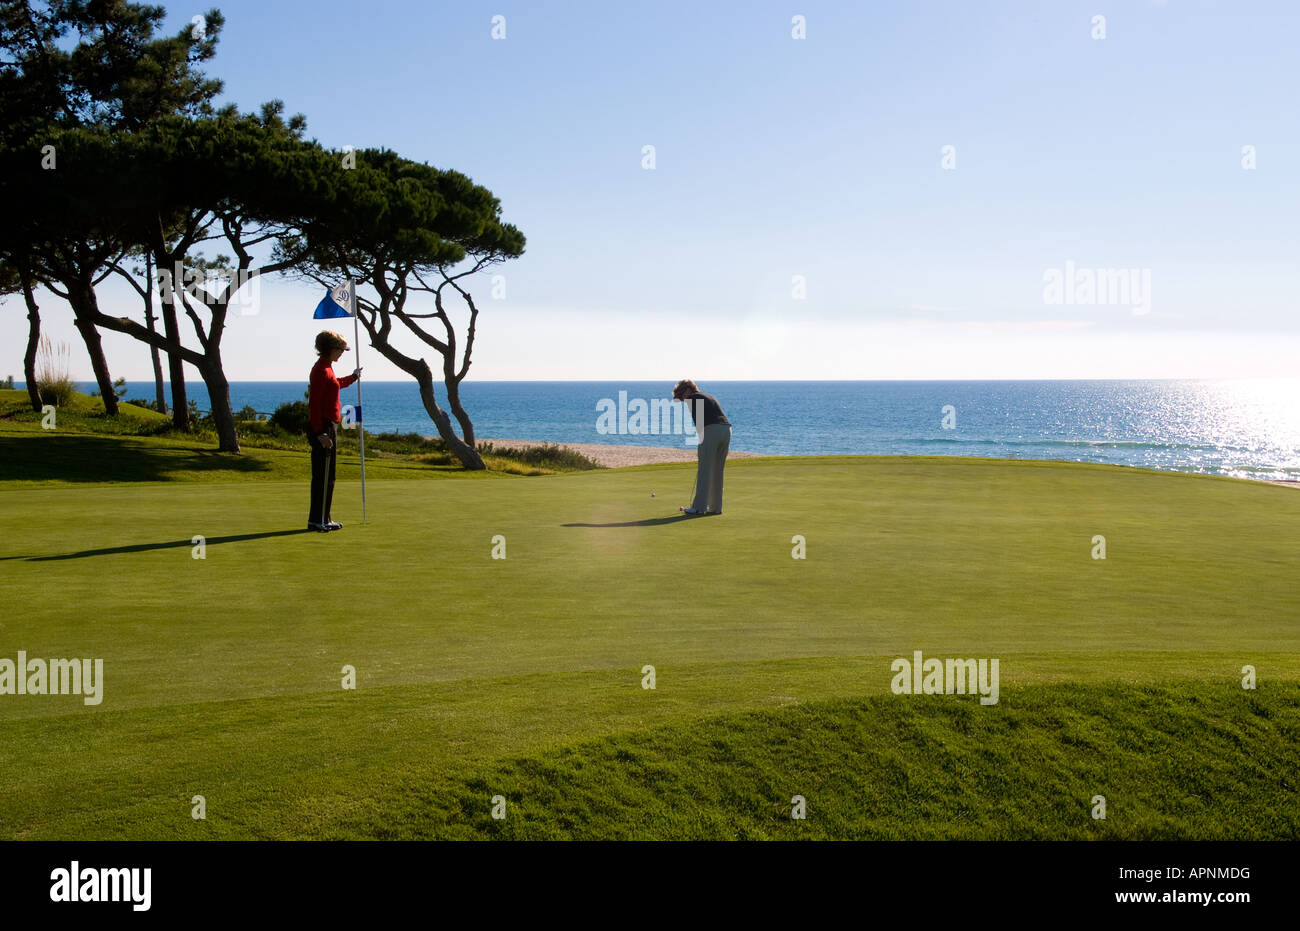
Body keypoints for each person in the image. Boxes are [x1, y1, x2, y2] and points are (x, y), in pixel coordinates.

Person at [308, 330, 361, 532]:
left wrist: (353, 377)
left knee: (328, 476)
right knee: (324, 476)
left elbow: (336, 385)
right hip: (324, 426)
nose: (342, 353)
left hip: (329, 425)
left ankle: (322, 518)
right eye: (341, 350)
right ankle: (319, 520)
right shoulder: (321, 370)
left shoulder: (327, 368)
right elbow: (314, 404)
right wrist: (320, 433)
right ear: (331, 349)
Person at [673, 379, 731, 515]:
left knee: (705, 470)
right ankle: (716, 508)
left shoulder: (692, 398)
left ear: (687, 390)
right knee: (717, 471)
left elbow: (699, 423)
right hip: (726, 430)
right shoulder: (708, 396)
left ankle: (698, 508)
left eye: (682, 395)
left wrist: (701, 442)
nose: (683, 399)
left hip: (711, 430)